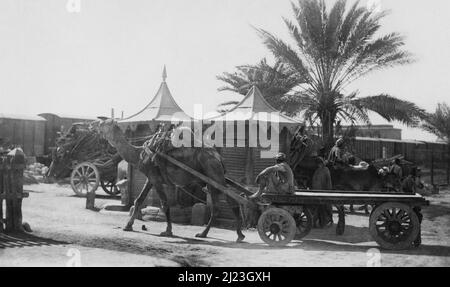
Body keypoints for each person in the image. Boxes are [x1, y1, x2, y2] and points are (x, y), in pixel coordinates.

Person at [311, 157, 333, 227]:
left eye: (320, 163)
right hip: (317, 192)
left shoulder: (326, 170)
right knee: (319, 208)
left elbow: (328, 181)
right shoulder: (317, 170)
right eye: (318, 164)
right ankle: (319, 223)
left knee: (326, 208)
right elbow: (314, 181)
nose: (319, 165)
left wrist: (328, 191)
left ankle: (328, 221)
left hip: (324, 192)